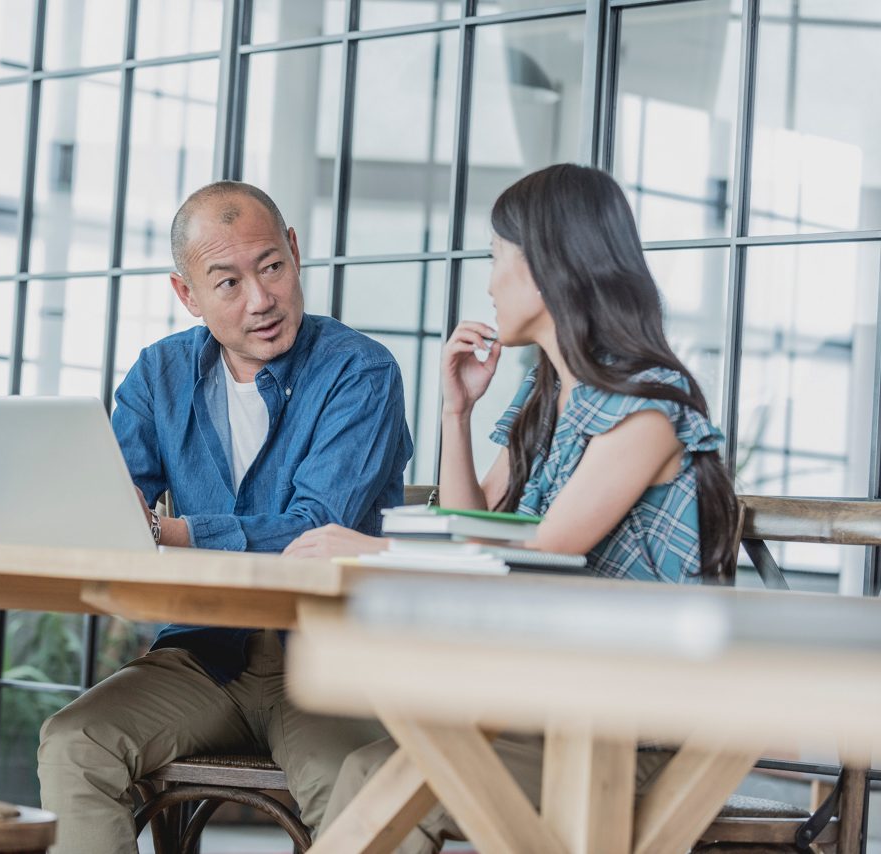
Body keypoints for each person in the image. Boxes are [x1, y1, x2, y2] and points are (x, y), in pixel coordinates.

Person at [285, 163, 739, 851]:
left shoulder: (647, 407)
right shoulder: (548, 401)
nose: (490, 282)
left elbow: (537, 557)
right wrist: (457, 412)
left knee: (381, 784)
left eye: (497, 259)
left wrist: (374, 548)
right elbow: (477, 523)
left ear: (548, 267)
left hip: (627, 736)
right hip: (545, 708)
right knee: (371, 770)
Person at [37, 181, 414, 853]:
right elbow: (111, 504)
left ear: (295, 252)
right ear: (188, 294)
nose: (261, 299)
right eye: (229, 282)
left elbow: (316, 529)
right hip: (204, 655)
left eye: (271, 267)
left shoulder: (359, 372)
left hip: (321, 657)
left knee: (365, 792)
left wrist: (172, 533)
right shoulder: (160, 375)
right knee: (75, 741)